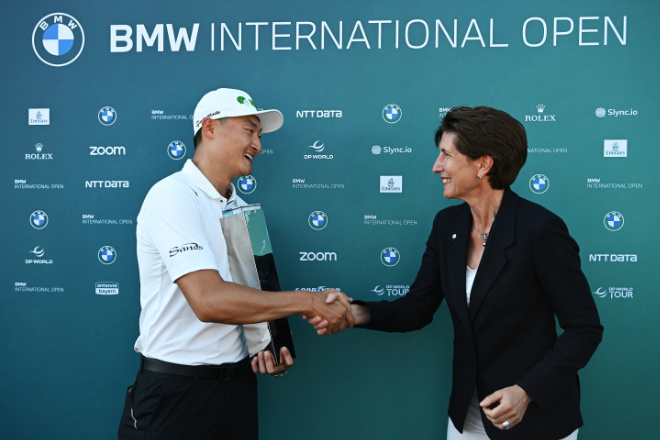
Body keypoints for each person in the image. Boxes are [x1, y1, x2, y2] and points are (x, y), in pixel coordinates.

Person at [316, 106, 603, 439]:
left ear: (483, 164)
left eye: (446, 156)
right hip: (467, 420)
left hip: (533, 420)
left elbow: (584, 329)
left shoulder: (540, 230)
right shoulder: (447, 226)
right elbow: (415, 310)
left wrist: (525, 391)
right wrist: (352, 312)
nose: (437, 167)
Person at [118, 88, 353, 440]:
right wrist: (308, 301)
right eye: (249, 130)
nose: (258, 144)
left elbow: (252, 296)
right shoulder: (172, 195)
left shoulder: (243, 209)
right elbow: (209, 301)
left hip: (237, 390)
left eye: (258, 134)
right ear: (210, 128)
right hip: (174, 393)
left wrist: (269, 349)